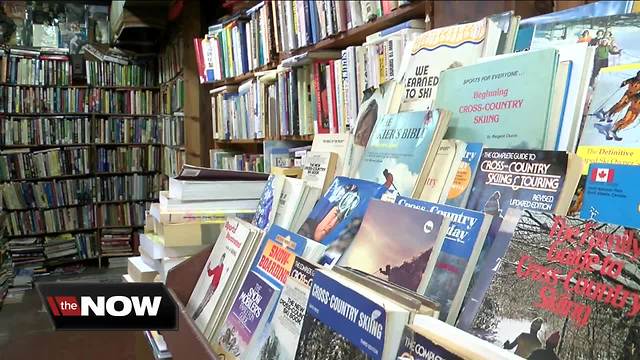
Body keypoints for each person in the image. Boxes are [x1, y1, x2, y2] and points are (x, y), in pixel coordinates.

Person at [599, 71, 640, 141]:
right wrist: (624, 83)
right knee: (620, 103)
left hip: (636, 105)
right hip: (629, 95)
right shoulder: (633, 80)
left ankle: (616, 129)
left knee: (629, 119)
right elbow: (626, 82)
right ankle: (609, 114)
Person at [192, 253, 226, 320]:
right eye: (220, 259)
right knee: (203, 301)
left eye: (222, 259)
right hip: (211, 286)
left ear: (223, 260)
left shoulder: (221, 267)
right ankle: (194, 316)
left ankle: (195, 317)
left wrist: (213, 291)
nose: (220, 260)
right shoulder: (218, 267)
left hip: (213, 288)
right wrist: (208, 268)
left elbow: (217, 280)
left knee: (204, 302)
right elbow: (210, 274)